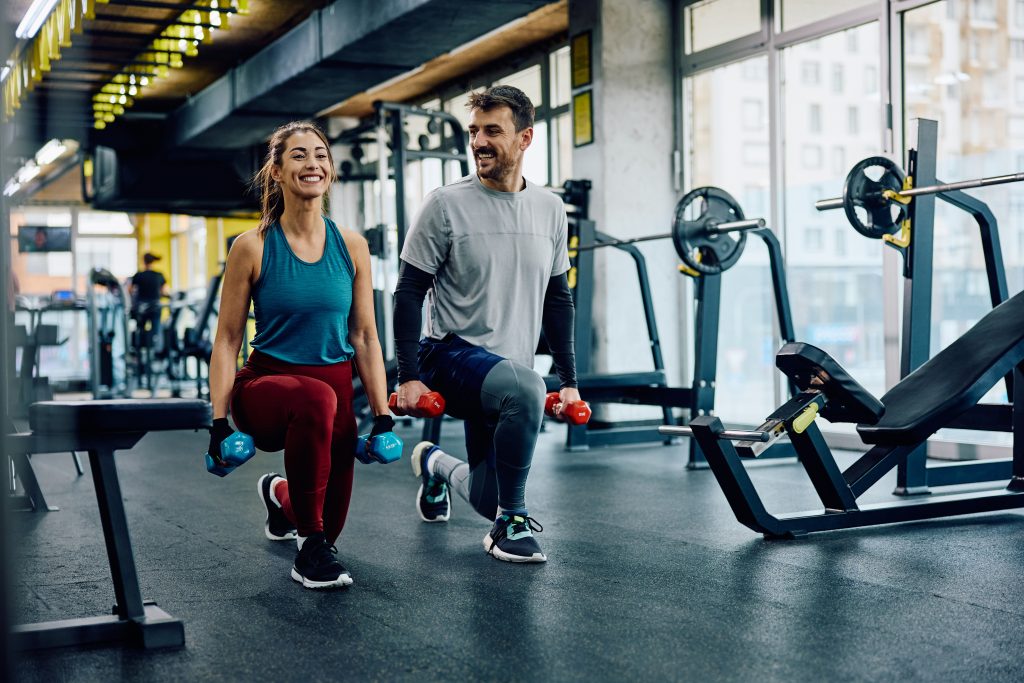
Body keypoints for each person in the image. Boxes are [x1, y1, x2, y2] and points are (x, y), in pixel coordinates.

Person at [393, 85, 580, 563]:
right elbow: (409, 291)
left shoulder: (550, 209)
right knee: (526, 389)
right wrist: (408, 376)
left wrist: (572, 383)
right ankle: (511, 523)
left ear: (525, 139)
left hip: (506, 370)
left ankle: (433, 465)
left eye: (492, 130)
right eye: (474, 130)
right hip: (450, 355)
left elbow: (558, 301)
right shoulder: (445, 204)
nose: (478, 141)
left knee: (483, 495)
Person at [208, 120, 394, 589]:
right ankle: (307, 553)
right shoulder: (251, 246)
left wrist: (383, 414)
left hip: (332, 393)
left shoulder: (351, 245)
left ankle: (281, 496)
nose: (312, 163)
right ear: (276, 170)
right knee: (317, 536)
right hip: (267, 388)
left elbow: (366, 336)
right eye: (298, 155)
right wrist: (217, 423)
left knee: (327, 523)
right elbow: (228, 339)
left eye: (320, 155)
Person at [129, 252, 169, 355]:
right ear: (153, 262)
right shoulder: (159, 275)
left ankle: (140, 353)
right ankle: (155, 352)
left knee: (140, 331)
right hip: (155, 308)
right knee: (156, 331)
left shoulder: (138, 275)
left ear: (144, 262)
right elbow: (164, 292)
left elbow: (130, 290)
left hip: (142, 308)